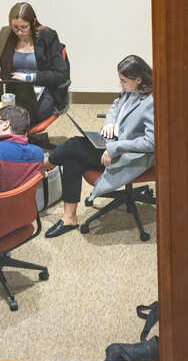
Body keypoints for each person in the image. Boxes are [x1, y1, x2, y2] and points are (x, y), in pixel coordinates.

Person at [44, 55, 153, 239]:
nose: (120, 84)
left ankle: (43, 165)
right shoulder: (130, 90)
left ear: (139, 80)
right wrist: (110, 122)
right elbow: (116, 105)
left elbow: (152, 142)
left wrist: (115, 147)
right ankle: (69, 218)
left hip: (126, 153)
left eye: (123, 80)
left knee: (73, 146)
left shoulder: (151, 102)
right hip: (111, 143)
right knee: (73, 155)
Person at [0, 2, 70, 141]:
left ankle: (16, 150)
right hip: (12, 91)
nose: (19, 32)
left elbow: (60, 74)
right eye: (15, 28)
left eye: (24, 28)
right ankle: (10, 146)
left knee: (15, 117)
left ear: (33, 22)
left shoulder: (48, 37)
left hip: (41, 91)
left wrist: (29, 77)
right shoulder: (6, 34)